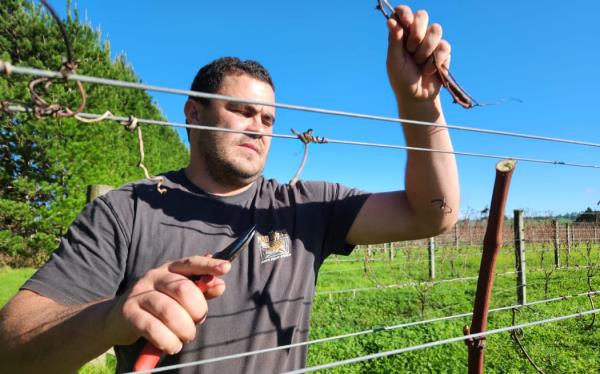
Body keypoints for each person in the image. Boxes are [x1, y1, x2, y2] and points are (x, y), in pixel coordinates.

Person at [0, 4, 459, 373]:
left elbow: (432, 213)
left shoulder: (303, 206)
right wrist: (111, 317)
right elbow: (9, 348)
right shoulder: (126, 211)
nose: (259, 128)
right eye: (241, 111)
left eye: (268, 119)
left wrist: (420, 106)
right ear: (194, 115)